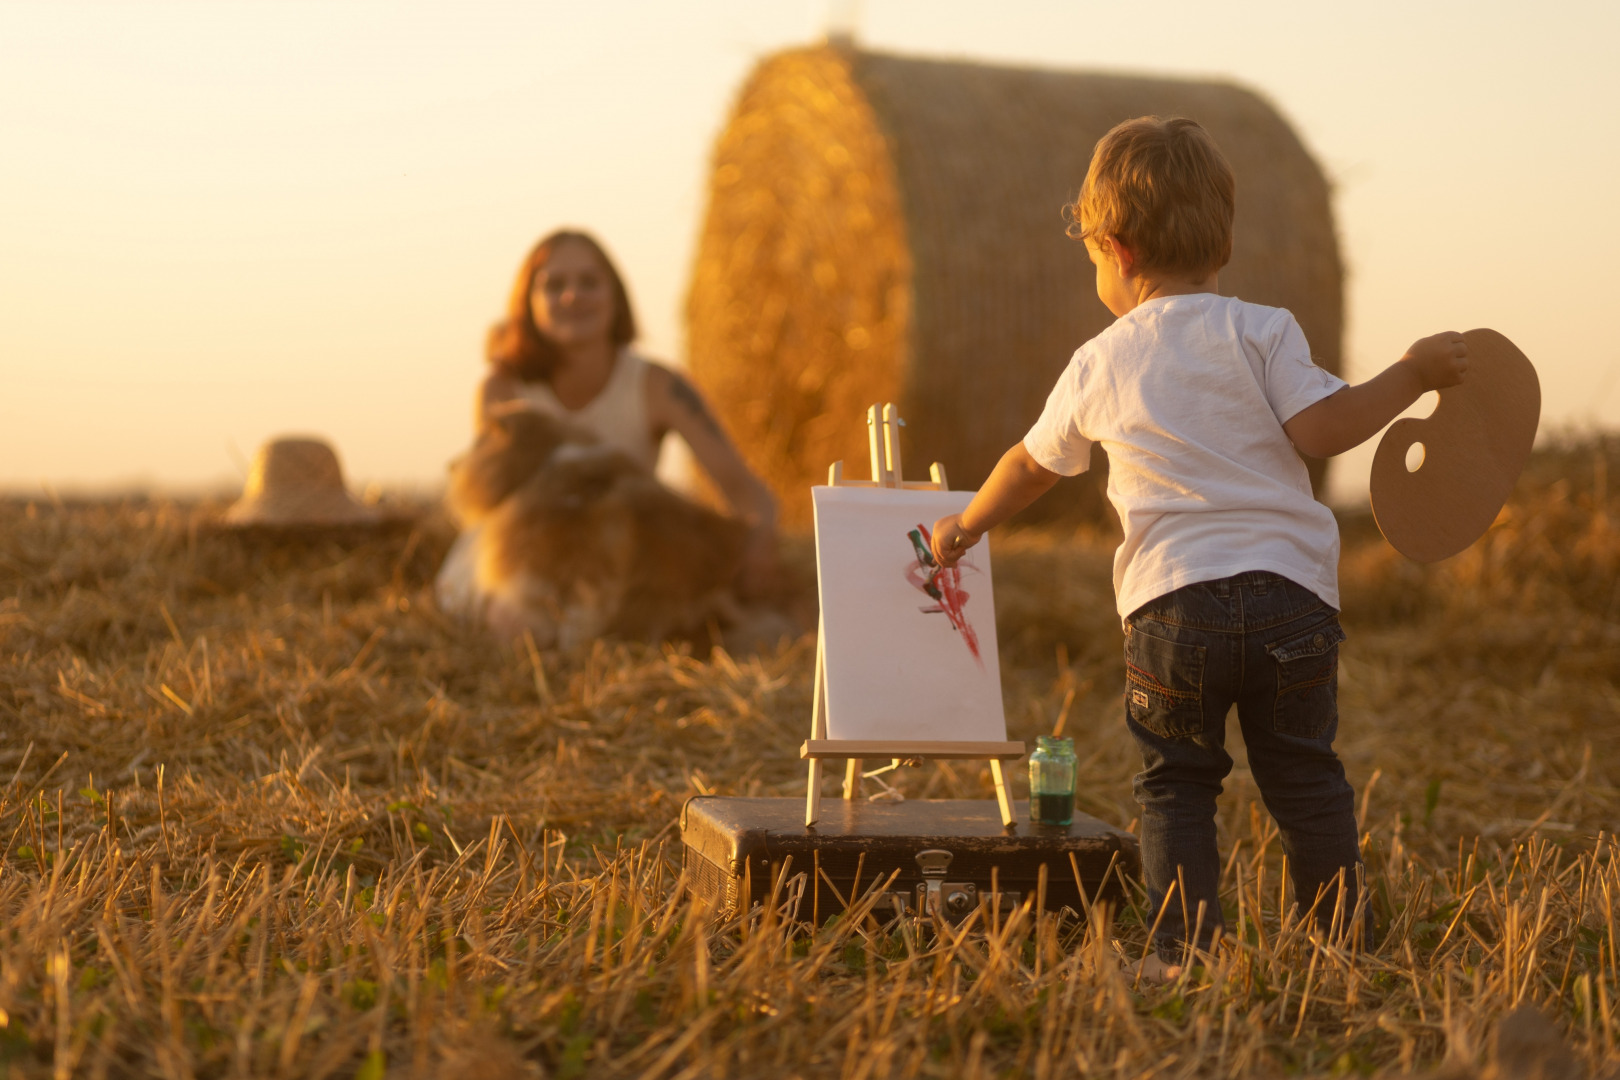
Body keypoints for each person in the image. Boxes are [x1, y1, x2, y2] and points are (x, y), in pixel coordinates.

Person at [929, 117, 1468, 980]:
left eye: (1093, 257)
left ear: (1117, 247)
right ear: (1220, 241)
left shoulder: (1099, 361)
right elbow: (1325, 430)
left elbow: (1031, 466)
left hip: (1174, 610)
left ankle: (1180, 952)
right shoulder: (1264, 331)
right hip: (1293, 603)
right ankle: (1339, 949)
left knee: (1176, 784)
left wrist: (961, 527)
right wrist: (1409, 374)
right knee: (1305, 779)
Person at [437, 230, 779, 619]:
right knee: (509, 616)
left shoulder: (658, 386)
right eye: (554, 285)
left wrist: (759, 546)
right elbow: (491, 515)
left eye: (589, 282)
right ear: (527, 302)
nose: (572, 296)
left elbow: (745, 491)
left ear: (615, 298)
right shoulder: (503, 390)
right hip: (529, 566)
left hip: (621, 558)